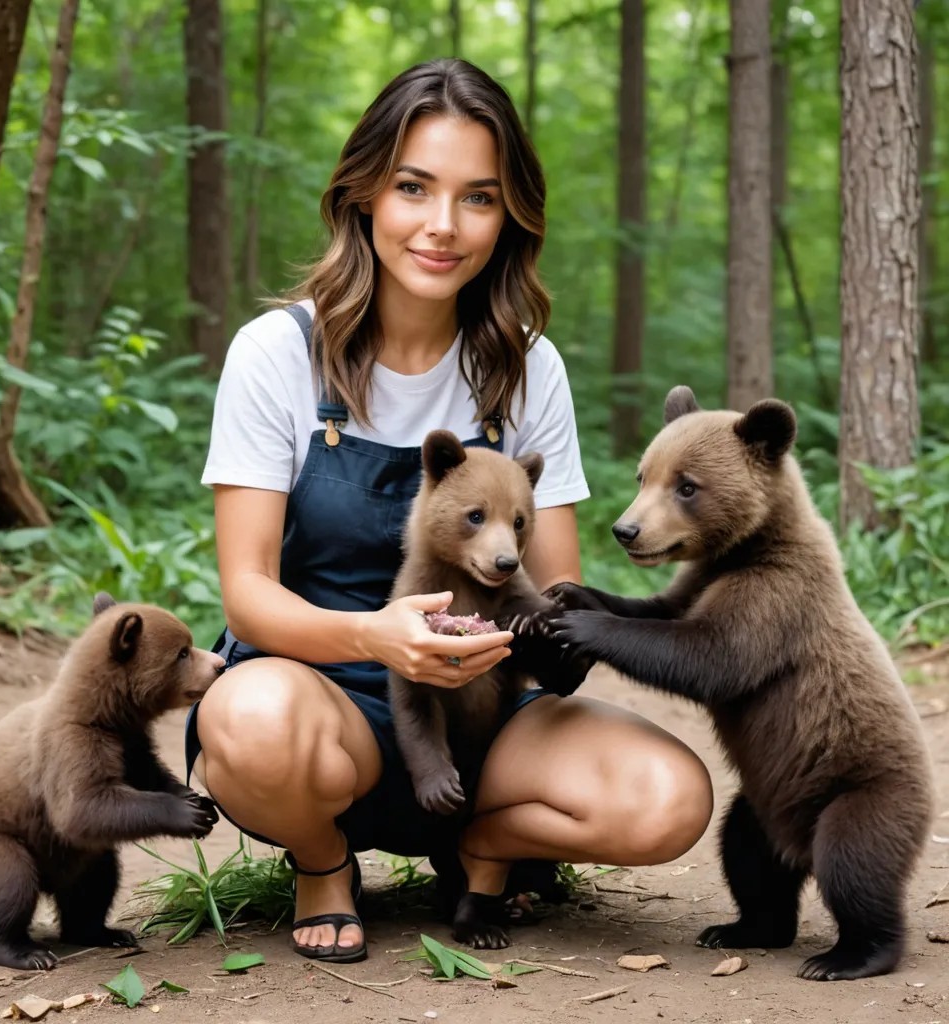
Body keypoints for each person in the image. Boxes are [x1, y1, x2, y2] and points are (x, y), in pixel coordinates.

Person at [186, 57, 713, 964]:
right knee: (249, 721)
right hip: (327, 692)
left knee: (667, 799)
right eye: (414, 188)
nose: (442, 226)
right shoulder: (277, 354)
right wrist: (379, 638)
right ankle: (324, 862)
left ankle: (480, 845)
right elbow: (247, 595)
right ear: (363, 193)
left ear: (509, 216)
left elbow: (552, 581)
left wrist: (573, 628)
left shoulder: (526, 367)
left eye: (477, 197)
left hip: (487, 711)